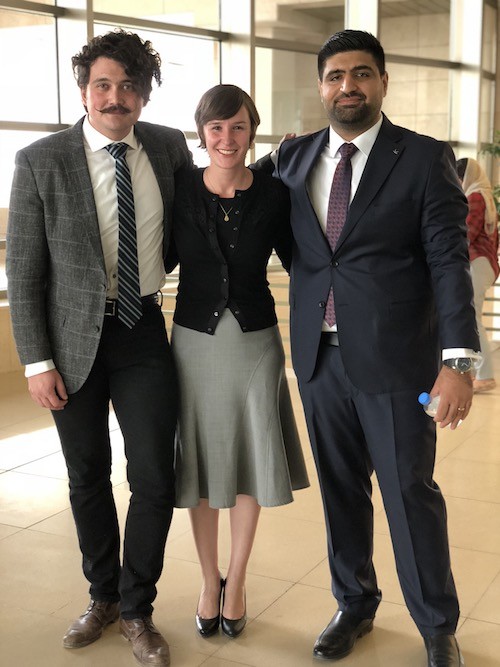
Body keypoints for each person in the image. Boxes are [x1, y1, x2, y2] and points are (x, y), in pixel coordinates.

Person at [253, 30, 480, 667]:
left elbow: (448, 262)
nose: (346, 86)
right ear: (320, 85)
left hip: (398, 362)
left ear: (383, 82)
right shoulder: (291, 162)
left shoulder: (424, 157)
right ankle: (354, 602)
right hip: (319, 361)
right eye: (335, 76)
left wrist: (458, 361)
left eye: (360, 74)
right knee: (340, 490)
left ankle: (437, 624)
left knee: (410, 493)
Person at [6, 29, 193, 667]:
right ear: (84, 91)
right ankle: (103, 597)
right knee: (86, 477)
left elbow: (198, 221)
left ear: (144, 93)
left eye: (129, 86)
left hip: (142, 332)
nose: (117, 97)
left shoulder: (168, 148)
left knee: (153, 476)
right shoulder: (40, 160)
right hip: (68, 342)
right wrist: (36, 360)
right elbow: (25, 270)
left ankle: (138, 609)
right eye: (104, 85)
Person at [166, 84, 309, 639]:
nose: (227, 139)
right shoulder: (178, 188)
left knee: (247, 460)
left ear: (253, 131)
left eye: (239, 127)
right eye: (216, 128)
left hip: (256, 343)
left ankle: (239, 579)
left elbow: (303, 262)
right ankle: (208, 580)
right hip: (193, 342)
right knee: (200, 464)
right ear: (201, 133)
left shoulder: (275, 195)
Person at [456, 157, 499, 394]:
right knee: (473, 315)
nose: (458, 182)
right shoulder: (487, 196)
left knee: (472, 317)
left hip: (476, 261)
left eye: (459, 178)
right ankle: (478, 372)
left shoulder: (474, 197)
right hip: (487, 263)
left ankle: (484, 375)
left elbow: (467, 233)